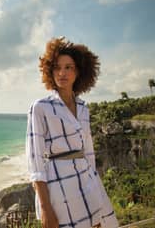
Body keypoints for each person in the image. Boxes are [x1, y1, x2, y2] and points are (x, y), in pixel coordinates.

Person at [25, 37, 119, 228]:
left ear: (79, 71)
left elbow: (89, 153)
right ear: (49, 71)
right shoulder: (40, 107)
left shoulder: (84, 108)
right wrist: (45, 207)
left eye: (69, 67)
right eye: (57, 67)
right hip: (60, 187)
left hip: (89, 182)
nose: (62, 73)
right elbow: (35, 163)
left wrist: (97, 189)